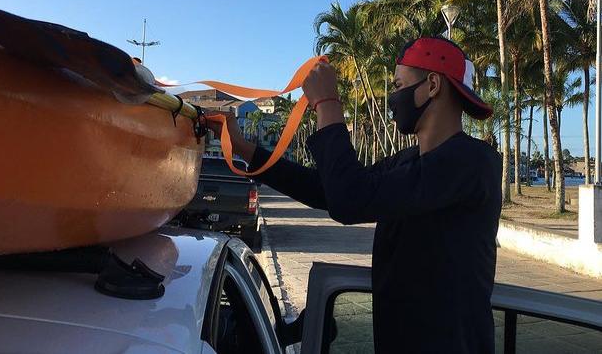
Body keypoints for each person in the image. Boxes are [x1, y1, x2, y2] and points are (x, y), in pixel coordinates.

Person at [206, 37, 502, 353]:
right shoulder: (409, 162)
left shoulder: (472, 162)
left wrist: (328, 104)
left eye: (399, 85)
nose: (394, 98)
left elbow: (349, 199)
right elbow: (327, 189)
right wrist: (241, 147)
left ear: (432, 85)